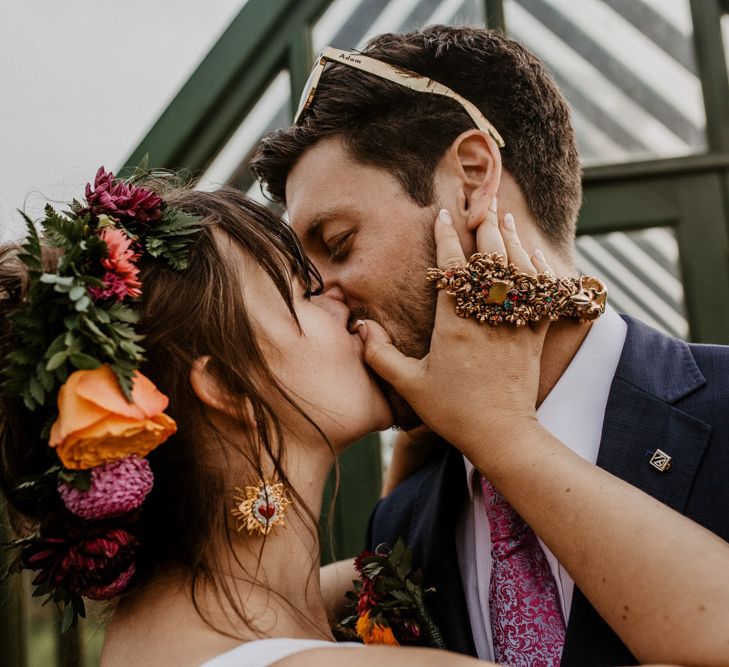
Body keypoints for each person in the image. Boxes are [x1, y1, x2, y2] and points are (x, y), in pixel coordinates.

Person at [0, 172, 700, 667]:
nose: (343, 300)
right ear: (229, 389)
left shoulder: (191, 621)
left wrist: (432, 447)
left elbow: (393, 566)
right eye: (304, 291)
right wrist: (501, 432)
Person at [251, 25, 729, 666]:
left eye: (337, 244)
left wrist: (504, 434)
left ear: (472, 179)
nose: (323, 296)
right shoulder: (399, 528)